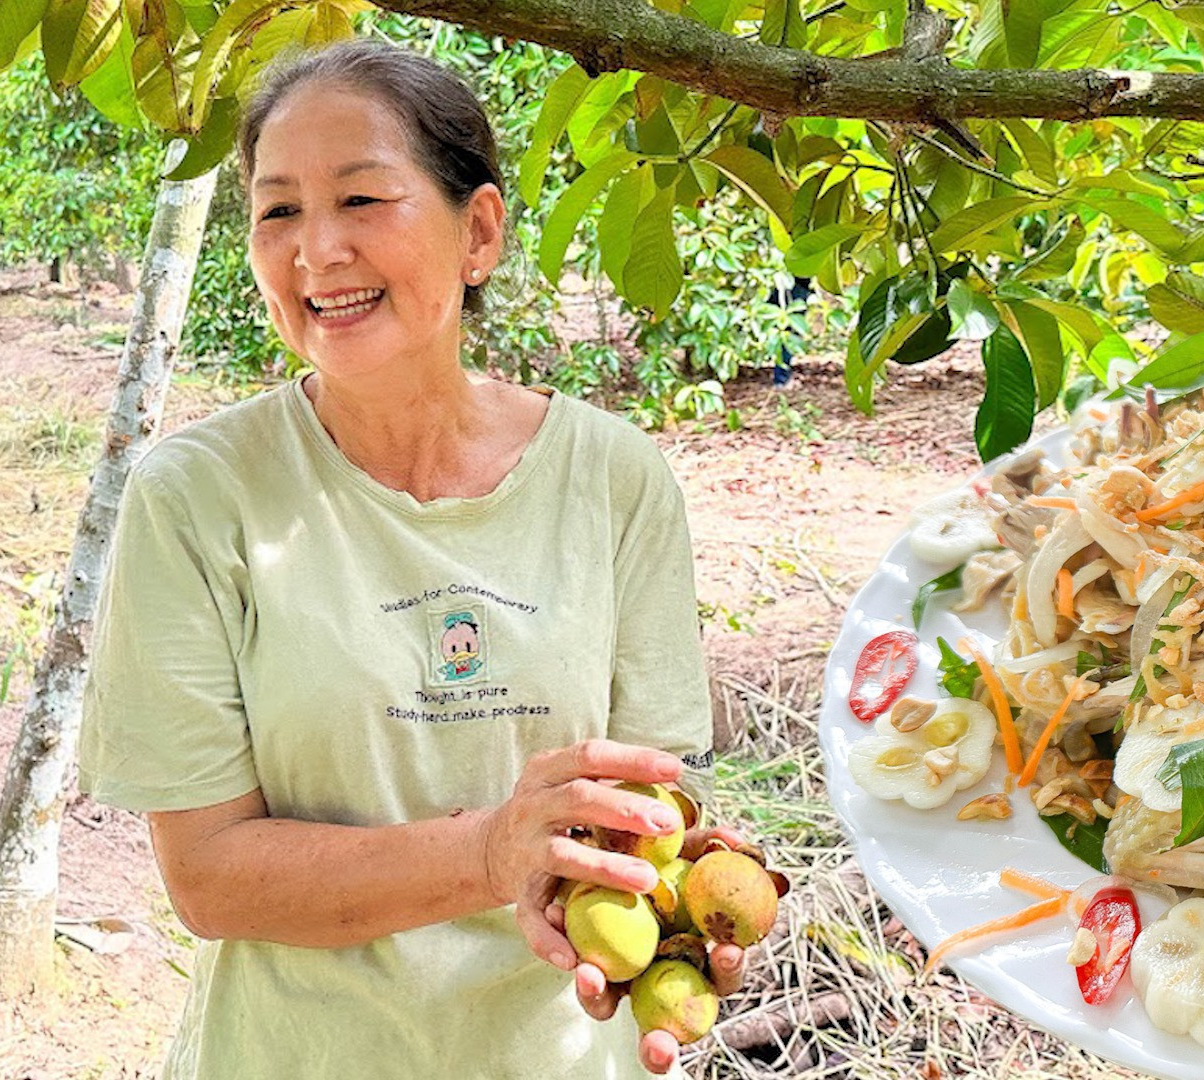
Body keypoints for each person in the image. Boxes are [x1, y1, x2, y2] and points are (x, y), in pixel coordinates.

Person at [77, 38, 740, 1079]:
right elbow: (207, 879)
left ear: (477, 232)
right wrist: (486, 855)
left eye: (361, 200)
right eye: (279, 210)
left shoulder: (613, 480)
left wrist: (698, 906)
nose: (315, 251)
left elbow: (646, 807)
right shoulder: (201, 497)